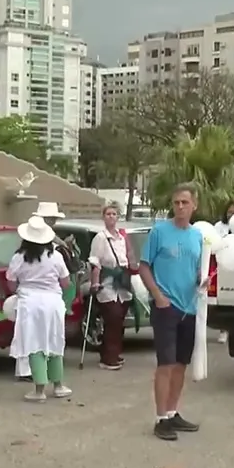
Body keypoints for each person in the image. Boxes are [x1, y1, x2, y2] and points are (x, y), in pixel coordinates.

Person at [139, 184, 204, 441]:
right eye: (176, 202)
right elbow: (144, 266)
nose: (180, 207)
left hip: (189, 307)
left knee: (180, 364)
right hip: (166, 307)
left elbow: (198, 269)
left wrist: (201, 280)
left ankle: (172, 411)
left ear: (194, 205)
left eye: (184, 203)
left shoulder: (197, 236)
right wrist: (158, 295)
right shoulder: (159, 231)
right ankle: (160, 418)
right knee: (165, 364)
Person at [7, 215, 73, 402]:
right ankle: (58, 386)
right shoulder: (56, 256)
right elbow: (66, 283)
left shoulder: (19, 258)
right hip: (53, 303)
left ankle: (39, 390)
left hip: (30, 304)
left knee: (34, 343)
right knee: (55, 340)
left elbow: (11, 283)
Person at [88, 202, 134, 370]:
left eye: (114, 214)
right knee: (112, 318)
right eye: (108, 214)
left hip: (122, 283)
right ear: (103, 217)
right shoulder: (100, 238)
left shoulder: (121, 238)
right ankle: (108, 358)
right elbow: (95, 262)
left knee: (119, 320)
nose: (111, 217)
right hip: (107, 283)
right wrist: (95, 282)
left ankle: (113, 353)